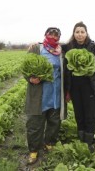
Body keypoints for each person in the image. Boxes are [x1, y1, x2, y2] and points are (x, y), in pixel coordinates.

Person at [24, 27, 64, 164]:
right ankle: (33, 151)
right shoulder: (36, 49)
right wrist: (30, 78)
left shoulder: (61, 51)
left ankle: (49, 143)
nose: (53, 36)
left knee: (54, 121)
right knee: (35, 123)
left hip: (56, 93)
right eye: (50, 34)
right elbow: (26, 67)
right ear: (45, 35)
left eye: (56, 34)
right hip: (39, 93)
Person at [62, 21, 95, 150]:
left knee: (89, 114)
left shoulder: (93, 47)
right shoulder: (68, 47)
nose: (80, 35)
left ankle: (89, 142)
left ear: (86, 33)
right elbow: (52, 47)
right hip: (74, 87)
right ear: (74, 34)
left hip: (89, 86)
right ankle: (81, 138)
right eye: (77, 32)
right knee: (78, 114)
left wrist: (88, 70)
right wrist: (37, 45)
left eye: (82, 32)